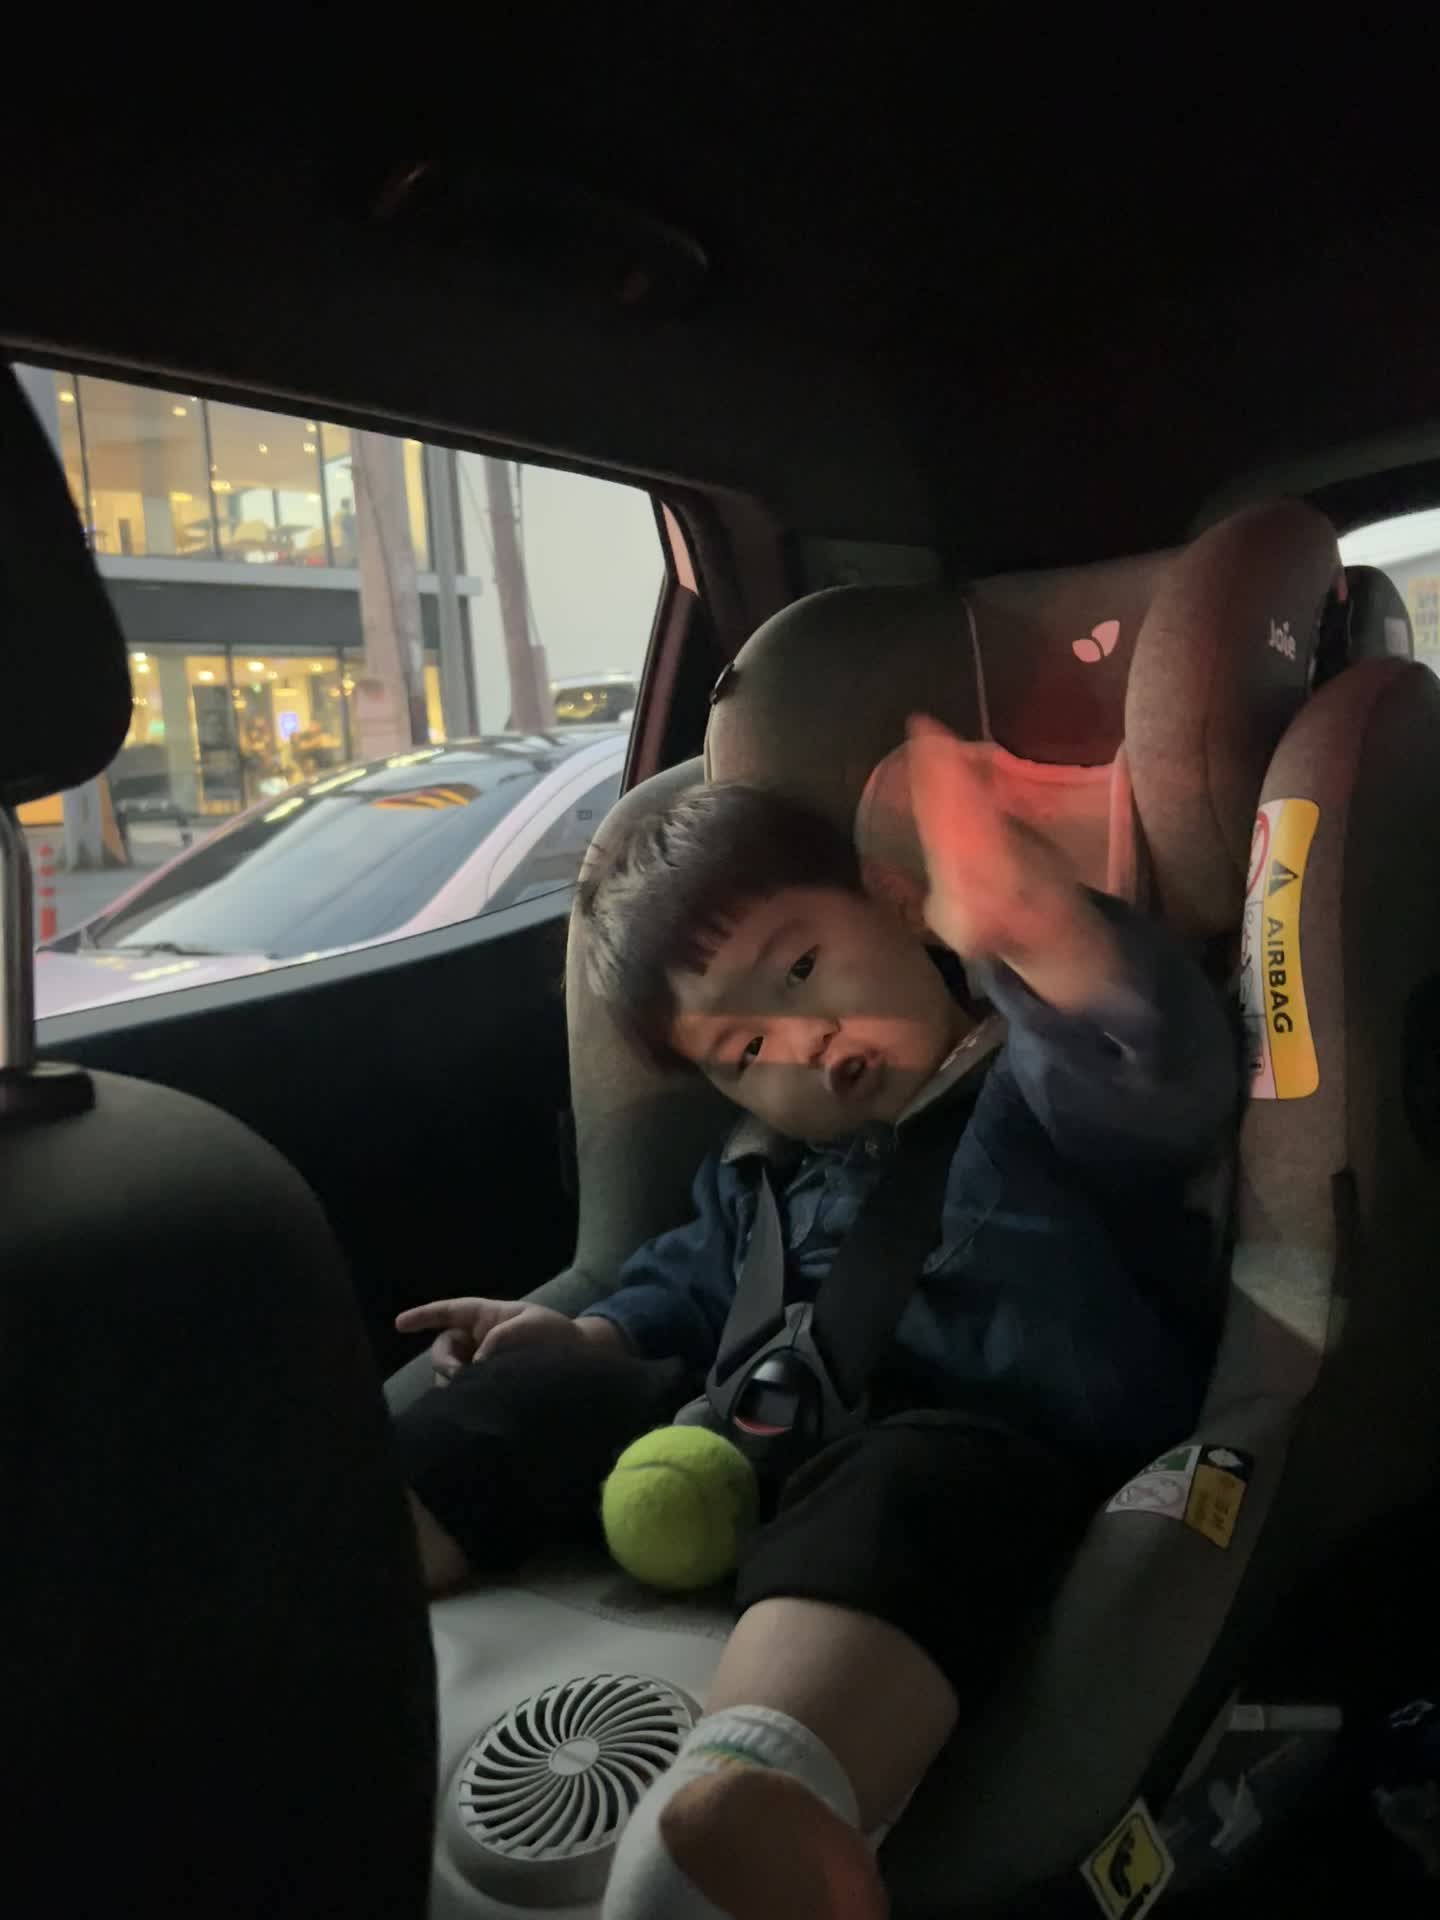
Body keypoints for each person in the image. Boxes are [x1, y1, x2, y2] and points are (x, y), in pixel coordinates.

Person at [390, 716, 1238, 1920]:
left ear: (895, 902)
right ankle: (321, 1600)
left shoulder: (1043, 1098)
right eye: (745, 1051)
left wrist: (1040, 936)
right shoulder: (762, 1173)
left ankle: (757, 1803)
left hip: (988, 1453)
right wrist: (591, 1339)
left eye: (800, 971)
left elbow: (1150, 1065)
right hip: (754, 1447)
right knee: (533, 1382)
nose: (804, 1043)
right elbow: (683, 1281)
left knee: (905, 1492)